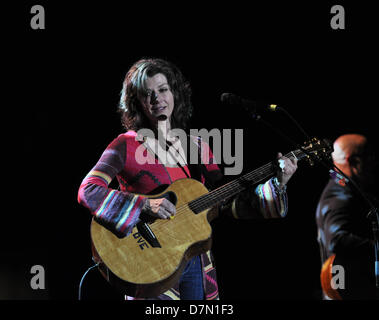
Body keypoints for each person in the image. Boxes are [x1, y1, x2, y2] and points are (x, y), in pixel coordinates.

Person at [77, 58, 298, 300]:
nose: (157, 99)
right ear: (136, 102)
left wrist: (279, 183)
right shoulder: (125, 144)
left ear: (174, 94)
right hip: (150, 265)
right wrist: (145, 204)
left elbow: (222, 203)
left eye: (163, 89)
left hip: (197, 264)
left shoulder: (197, 146)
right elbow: (88, 190)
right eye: (147, 93)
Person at [316, 133, 378, 300]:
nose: (373, 162)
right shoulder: (338, 194)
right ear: (353, 160)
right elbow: (336, 239)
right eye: (369, 155)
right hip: (349, 289)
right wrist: (376, 246)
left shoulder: (347, 188)